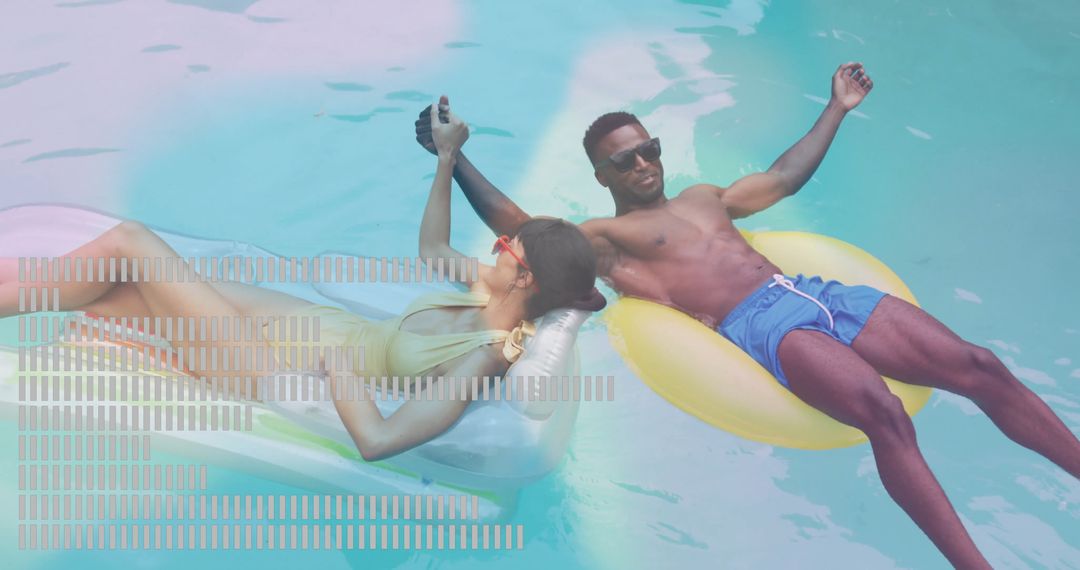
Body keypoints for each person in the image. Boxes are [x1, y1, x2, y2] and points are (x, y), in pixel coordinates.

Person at [414, 63, 1080, 568]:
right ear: (602, 176)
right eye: (626, 160)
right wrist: (455, 156)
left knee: (980, 366)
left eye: (650, 149)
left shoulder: (708, 197)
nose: (644, 163)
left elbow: (783, 178)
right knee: (885, 416)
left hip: (814, 292)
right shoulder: (604, 240)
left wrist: (837, 107)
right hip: (761, 325)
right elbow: (521, 226)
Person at [0, 104, 597, 463]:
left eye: (504, 246)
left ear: (525, 277)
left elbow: (379, 441)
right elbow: (433, 250)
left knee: (132, 242)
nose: (492, 247)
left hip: (275, 369)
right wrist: (446, 158)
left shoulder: (483, 359)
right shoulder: (489, 291)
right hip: (306, 323)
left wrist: (337, 372)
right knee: (122, 292)